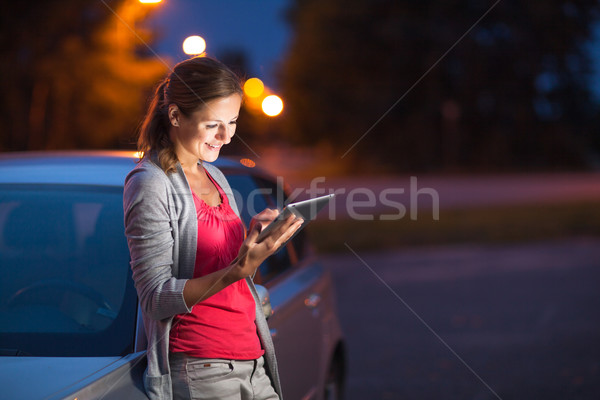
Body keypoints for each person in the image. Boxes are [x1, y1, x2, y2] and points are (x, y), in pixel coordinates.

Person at [123, 56, 302, 400]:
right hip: (201, 368)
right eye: (213, 124)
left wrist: (257, 239)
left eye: (232, 122)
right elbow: (156, 299)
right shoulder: (151, 183)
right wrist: (239, 269)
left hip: (253, 358)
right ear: (175, 116)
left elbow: (222, 265)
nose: (227, 135)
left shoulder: (215, 175)